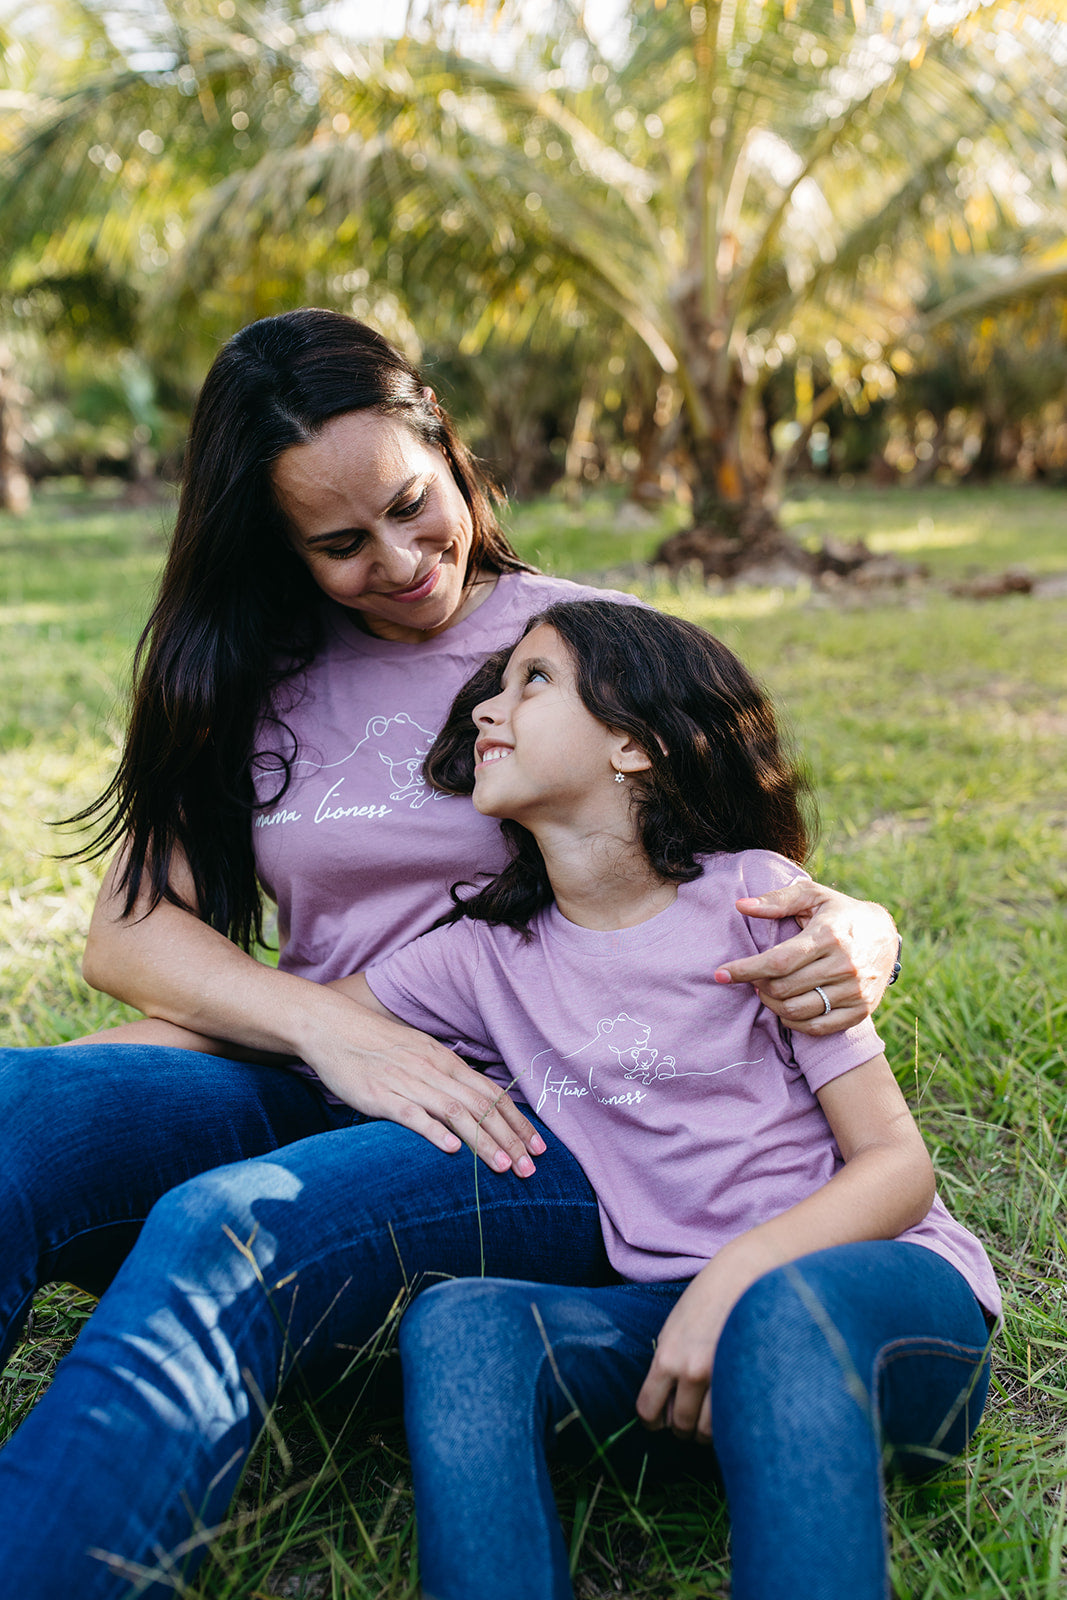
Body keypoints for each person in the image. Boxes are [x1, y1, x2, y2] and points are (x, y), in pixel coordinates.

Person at [0, 312, 898, 1594]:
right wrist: (325, 1029)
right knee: (17, 1108)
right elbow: (129, 929)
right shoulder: (251, 669)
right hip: (326, 1059)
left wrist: (867, 927)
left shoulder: (585, 644)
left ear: (445, 446)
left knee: (222, 1230)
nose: (404, 560)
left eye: (413, 506)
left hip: (540, 1116)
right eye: (339, 543)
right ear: (276, 543)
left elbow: (739, 882)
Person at [342, 600, 997, 1600]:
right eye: (492, 685)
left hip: (871, 1304)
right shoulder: (482, 958)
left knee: (779, 1316)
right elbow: (306, 1018)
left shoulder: (753, 901)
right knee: (462, 1326)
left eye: (532, 681)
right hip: (669, 1336)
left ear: (635, 747)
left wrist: (735, 1278)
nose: (485, 709)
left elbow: (897, 1168)